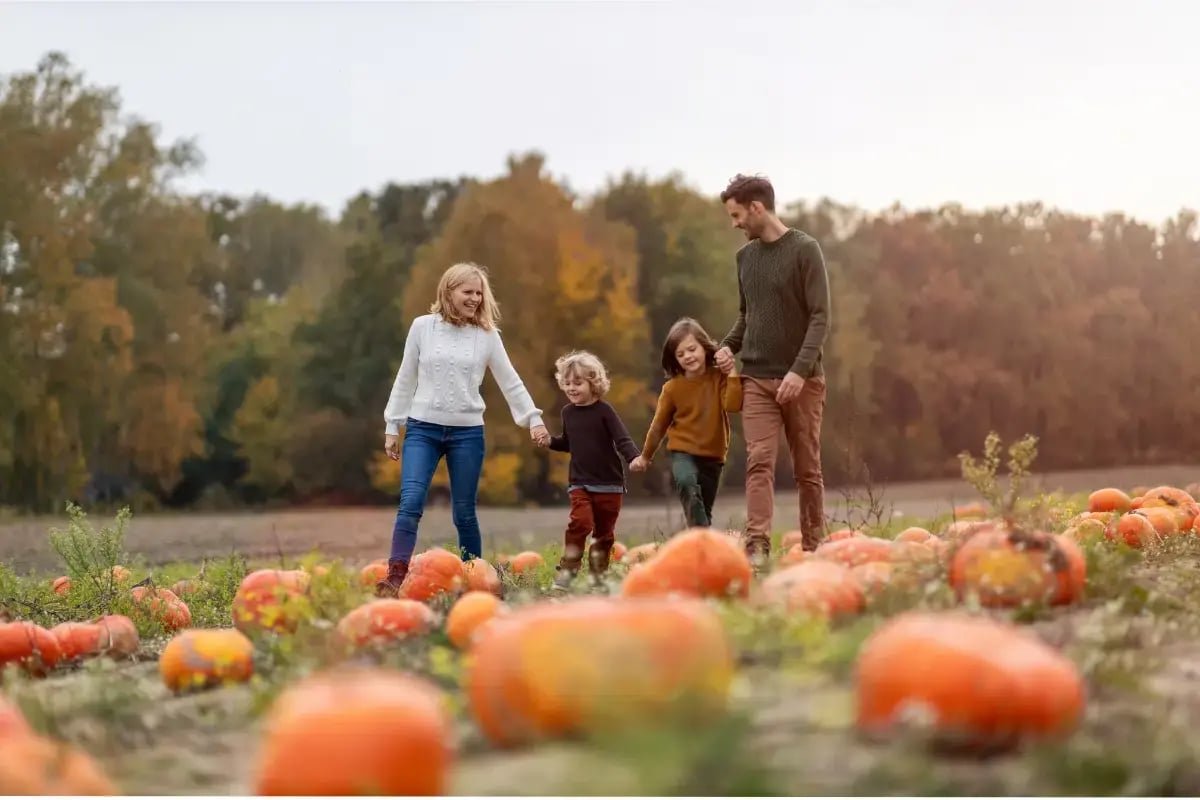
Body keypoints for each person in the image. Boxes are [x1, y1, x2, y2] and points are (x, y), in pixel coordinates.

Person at [376, 262, 549, 597]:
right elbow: (406, 376)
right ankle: (395, 576)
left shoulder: (487, 336)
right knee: (410, 502)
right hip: (423, 429)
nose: (474, 298)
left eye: (479, 293)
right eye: (467, 292)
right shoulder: (422, 328)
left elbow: (510, 380)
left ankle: (476, 582)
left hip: (467, 433)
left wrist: (533, 417)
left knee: (464, 513)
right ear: (449, 291)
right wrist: (392, 424)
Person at [713, 173, 831, 564]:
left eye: (736, 215)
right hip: (756, 381)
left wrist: (799, 371)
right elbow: (748, 316)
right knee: (758, 462)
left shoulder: (805, 250)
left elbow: (819, 317)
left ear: (757, 207)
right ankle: (757, 546)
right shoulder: (744, 258)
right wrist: (726, 348)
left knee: (807, 468)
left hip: (803, 380)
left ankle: (814, 545)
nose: (735, 224)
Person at [539, 350, 640, 590]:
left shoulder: (605, 411)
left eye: (578, 382)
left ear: (593, 384)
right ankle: (567, 572)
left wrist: (634, 457)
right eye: (567, 383)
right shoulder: (568, 413)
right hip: (580, 482)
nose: (571, 388)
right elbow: (568, 442)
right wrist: (550, 442)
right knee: (580, 523)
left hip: (609, 483)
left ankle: (597, 578)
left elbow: (622, 439)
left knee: (603, 535)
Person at [630, 317, 743, 530]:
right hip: (683, 452)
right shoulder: (672, 389)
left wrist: (732, 374)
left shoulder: (718, 377)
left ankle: (700, 544)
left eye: (692, 349)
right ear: (674, 359)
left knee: (704, 512)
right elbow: (658, 426)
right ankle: (700, 540)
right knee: (686, 483)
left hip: (714, 455)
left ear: (704, 346)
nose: (688, 356)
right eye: (680, 354)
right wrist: (645, 456)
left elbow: (733, 405)